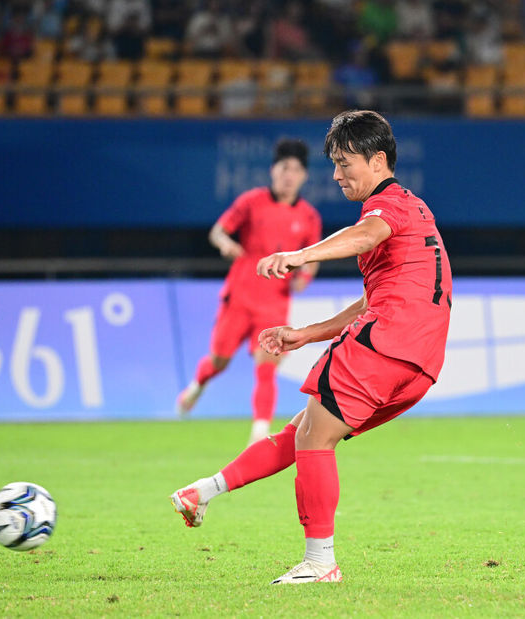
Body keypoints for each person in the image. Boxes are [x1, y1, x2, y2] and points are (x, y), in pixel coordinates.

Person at [170, 110, 452, 586]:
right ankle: (203, 492)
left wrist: (298, 255)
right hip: (419, 360)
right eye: (334, 165)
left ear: (379, 160)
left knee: (312, 439)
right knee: (304, 433)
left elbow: (365, 235)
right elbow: (372, 298)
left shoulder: (388, 208)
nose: (337, 175)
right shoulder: (413, 209)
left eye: (345, 164)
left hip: (386, 342)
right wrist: (306, 333)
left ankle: (321, 562)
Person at [176, 138, 322, 445]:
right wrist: (225, 243)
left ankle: (259, 433)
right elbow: (217, 230)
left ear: (304, 176)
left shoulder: (309, 216)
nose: (289, 175)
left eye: (295, 170)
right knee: (219, 361)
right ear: (273, 171)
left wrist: (304, 277)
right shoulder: (252, 201)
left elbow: (313, 259)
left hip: (275, 301)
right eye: (284, 168)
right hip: (240, 295)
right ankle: (197, 386)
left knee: (267, 364)